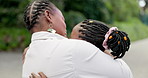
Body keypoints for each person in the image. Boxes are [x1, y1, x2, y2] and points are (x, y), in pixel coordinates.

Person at [23, 0, 133, 78]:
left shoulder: (27, 56)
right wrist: (107, 55)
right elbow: (125, 74)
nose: (65, 25)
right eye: (62, 19)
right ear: (48, 16)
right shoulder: (74, 48)